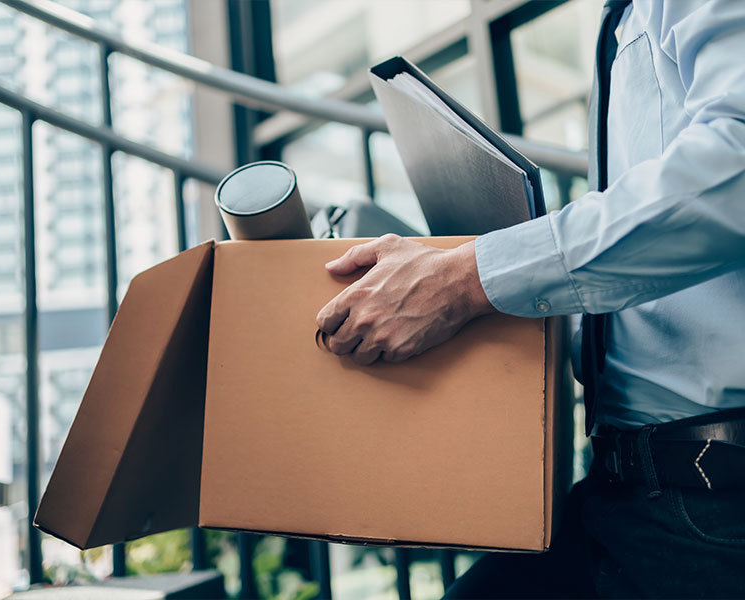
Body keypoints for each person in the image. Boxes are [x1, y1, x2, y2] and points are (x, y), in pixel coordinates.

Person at [315, 0, 745, 597]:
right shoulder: (623, 20)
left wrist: (466, 279)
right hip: (623, 490)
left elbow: (737, 170)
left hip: (710, 502)